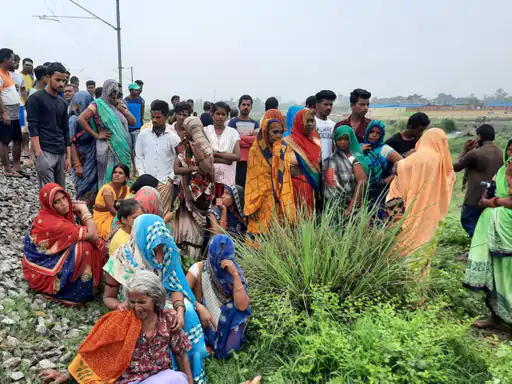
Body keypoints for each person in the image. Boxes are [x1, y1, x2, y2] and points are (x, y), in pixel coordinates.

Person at [103, 214, 208, 384]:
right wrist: (120, 305)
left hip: (160, 303)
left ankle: (193, 370)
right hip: (134, 306)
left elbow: (175, 285)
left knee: (186, 312)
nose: (159, 256)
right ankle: (163, 368)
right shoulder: (121, 258)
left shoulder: (166, 251)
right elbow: (108, 298)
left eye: (161, 247)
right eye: (153, 248)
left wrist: (179, 310)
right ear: (141, 239)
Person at [41, 270, 193, 384]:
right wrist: (68, 374)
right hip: (129, 380)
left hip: (160, 377)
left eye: (142, 302)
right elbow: (96, 350)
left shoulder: (168, 318)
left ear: (155, 299)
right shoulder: (121, 319)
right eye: (133, 302)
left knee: (178, 379)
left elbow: (181, 355)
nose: (137, 307)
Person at [22, 183, 106, 305]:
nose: (64, 203)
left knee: (91, 242)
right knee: (84, 247)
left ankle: (88, 282)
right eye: (57, 201)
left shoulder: (50, 214)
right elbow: (93, 235)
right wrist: (85, 211)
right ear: (49, 205)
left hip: (48, 257)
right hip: (42, 269)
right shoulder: (56, 223)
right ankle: (75, 292)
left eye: (64, 197)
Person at [386, 128, 455, 274]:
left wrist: (407, 158)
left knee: (405, 247)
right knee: (424, 248)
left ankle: (402, 283)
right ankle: (420, 284)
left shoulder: (419, 157)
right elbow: (449, 181)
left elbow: (396, 169)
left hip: (410, 211)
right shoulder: (443, 163)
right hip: (431, 214)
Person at [463, 139, 512, 329]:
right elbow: (487, 193)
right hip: (493, 226)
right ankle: (496, 318)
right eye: (508, 150)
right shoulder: (501, 171)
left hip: (507, 230)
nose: (510, 154)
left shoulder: (508, 171)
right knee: (493, 271)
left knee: (507, 273)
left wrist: (494, 202)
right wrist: (489, 199)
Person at [187, 234, 251, 358]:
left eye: (226, 257)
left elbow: (242, 306)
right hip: (204, 321)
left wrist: (235, 275)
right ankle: (206, 343)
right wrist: (199, 307)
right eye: (218, 258)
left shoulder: (233, 272)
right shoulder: (199, 269)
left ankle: (222, 348)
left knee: (234, 309)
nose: (222, 262)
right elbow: (182, 293)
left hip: (224, 322)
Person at [77, 79, 135, 188]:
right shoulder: (97, 104)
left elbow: (133, 121)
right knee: (107, 176)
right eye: (111, 92)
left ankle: (121, 201)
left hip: (124, 148)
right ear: (105, 91)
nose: (113, 95)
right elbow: (81, 119)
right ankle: (105, 201)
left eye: (115, 92)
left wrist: (123, 110)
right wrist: (97, 135)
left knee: (123, 175)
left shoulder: (119, 104)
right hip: (107, 148)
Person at [244, 118, 295, 237]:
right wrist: (252, 206)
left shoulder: (282, 150)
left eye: (281, 132)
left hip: (279, 203)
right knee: (259, 238)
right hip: (260, 203)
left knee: (277, 240)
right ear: (266, 132)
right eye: (274, 132)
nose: (278, 136)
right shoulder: (255, 152)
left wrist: (278, 153)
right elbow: (253, 181)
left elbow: (285, 178)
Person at [173, 117, 215, 260]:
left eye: (186, 129)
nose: (184, 132)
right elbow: (176, 169)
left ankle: (195, 260)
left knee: (199, 231)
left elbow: (207, 169)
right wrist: (193, 168)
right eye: (183, 129)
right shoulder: (183, 146)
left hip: (203, 195)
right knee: (185, 228)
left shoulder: (206, 148)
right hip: (186, 193)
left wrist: (197, 149)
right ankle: (184, 259)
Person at [453, 124, 503, 238]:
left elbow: (456, 167)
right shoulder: (501, 153)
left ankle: (482, 244)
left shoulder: (475, 153)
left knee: (468, 221)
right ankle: (484, 246)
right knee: (487, 223)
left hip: (474, 197)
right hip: (493, 197)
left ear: (479, 137)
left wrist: (465, 150)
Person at [27, 62, 71, 187]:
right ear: (48, 77)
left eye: (64, 80)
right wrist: (38, 153)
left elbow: (66, 129)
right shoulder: (35, 99)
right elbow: (33, 127)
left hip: (60, 151)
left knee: (61, 191)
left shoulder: (63, 103)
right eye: (57, 80)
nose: (61, 84)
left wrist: (68, 156)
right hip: (44, 150)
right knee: (49, 193)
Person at [136, 100, 181, 213]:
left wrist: (171, 178)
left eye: (158, 117)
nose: (155, 120)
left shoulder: (173, 138)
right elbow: (139, 156)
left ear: (166, 117)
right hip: (146, 181)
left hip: (164, 182)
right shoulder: (143, 135)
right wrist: (142, 175)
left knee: (163, 214)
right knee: (144, 212)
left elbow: (180, 158)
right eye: (153, 117)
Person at [324, 125, 368, 214]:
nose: (342, 142)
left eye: (345, 139)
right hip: (332, 208)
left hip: (350, 209)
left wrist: (350, 208)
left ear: (351, 139)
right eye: (339, 139)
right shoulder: (329, 160)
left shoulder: (354, 160)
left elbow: (362, 183)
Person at [284, 109, 322, 212]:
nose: (310, 124)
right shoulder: (287, 142)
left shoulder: (317, 143)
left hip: (314, 187)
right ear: (299, 122)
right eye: (307, 121)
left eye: (312, 121)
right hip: (295, 188)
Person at [204, 101, 241, 197]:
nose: (220, 117)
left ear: (227, 116)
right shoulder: (206, 130)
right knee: (209, 206)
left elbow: (236, 156)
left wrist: (215, 154)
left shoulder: (233, 133)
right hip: (208, 176)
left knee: (225, 204)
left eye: (223, 114)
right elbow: (203, 156)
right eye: (218, 114)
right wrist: (226, 159)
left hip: (227, 178)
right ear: (212, 114)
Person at [361, 120, 403, 202]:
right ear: (367, 132)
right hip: (359, 191)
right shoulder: (360, 146)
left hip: (378, 192)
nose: (374, 135)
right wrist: (359, 151)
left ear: (382, 135)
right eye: (371, 132)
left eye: (378, 133)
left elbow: (404, 165)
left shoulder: (385, 149)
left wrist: (391, 177)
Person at [68, 91, 98, 207]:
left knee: (93, 185)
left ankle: (90, 213)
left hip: (92, 156)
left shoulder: (91, 118)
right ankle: (81, 213)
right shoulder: (73, 120)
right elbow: (71, 143)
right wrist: (77, 164)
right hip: (81, 158)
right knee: (82, 185)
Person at [0, 48, 24, 177]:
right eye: (12, 59)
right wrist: (3, 113)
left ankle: (17, 166)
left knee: (17, 139)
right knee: (4, 140)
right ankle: (7, 169)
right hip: (6, 112)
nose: (14, 62)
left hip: (15, 112)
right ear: (5, 59)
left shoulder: (7, 74)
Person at [228, 95, 260, 187]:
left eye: (248, 105)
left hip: (251, 161)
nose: (246, 107)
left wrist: (239, 137)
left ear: (251, 107)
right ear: (239, 106)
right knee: (238, 186)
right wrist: (249, 139)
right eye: (243, 104)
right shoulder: (233, 122)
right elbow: (232, 140)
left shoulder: (255, 123)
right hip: (237, 161)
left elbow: (256, 141)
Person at [93, 164, 130, 240]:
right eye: (115, 172)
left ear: (126, 178)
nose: (117, 175)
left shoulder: (127, 189)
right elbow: (112, 210)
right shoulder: (107, 189)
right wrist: (125, 220)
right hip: (103, 219)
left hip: (117, 216)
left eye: (120, 173)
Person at [314, 90, 337, 163]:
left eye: (331, 105)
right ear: (317, 105)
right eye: (326, 104)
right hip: (315, 167)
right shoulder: (311, 123)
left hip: (331, 167)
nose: (329, 107)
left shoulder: (334, 125)